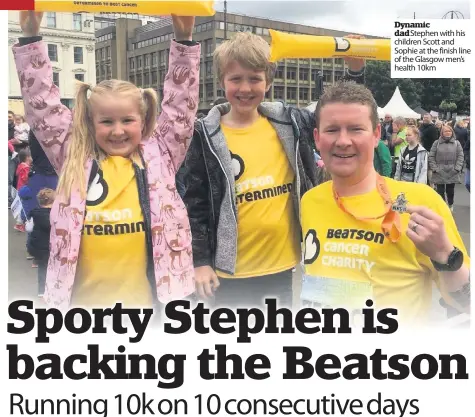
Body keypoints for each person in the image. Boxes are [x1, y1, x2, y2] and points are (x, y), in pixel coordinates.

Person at [14, 11, 200, 310]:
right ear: (90, 122)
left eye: (127, 120)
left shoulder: (160, 153)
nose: (117, 131)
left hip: (150, 309)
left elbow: (181, 106)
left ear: (144, 120)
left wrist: (184, 42)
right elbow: (43, 107)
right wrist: (31, 37)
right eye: (106, 121)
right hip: (83, 311)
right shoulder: (73, 154)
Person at [181, 31, 364, 307]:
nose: (245, 88)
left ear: (268, 82)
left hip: (281, 266)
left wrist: (355, 70)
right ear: (222, 82)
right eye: (236, 79)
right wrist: (200, 261)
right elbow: (194, 204)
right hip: (228, 273)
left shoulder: (290, 123)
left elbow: (340, 110)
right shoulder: (204, 136)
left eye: (254, 78)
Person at [300, 82, 470, 323]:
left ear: (376, 134)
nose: (343, 141)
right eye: (332, 130)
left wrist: (445, 255)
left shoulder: (420, 202)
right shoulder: (310, 201)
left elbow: (468, 303)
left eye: (356, 129)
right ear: (317, 138)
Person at [429, 125, 464, 212]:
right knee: (440, 191)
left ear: (452, 132)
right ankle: (443, 206)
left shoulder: (457, 143)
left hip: (452, 171)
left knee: (450, 191)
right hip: (439, 171)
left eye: (449, 131)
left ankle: (451, 204)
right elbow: (431, 156)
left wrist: (457, 168)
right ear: (442, 133)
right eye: (445, 131)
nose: (448, 133)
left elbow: (460, 156)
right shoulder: (436, 143)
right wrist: (435, 168)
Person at [27, 188, 55, 296]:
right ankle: (52, 289)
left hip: (36, 246)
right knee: (51, 268)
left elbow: (29, 228)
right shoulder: (53, 215)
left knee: (42, 268)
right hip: (48, 246)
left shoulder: (34, 213)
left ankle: (41, 291)